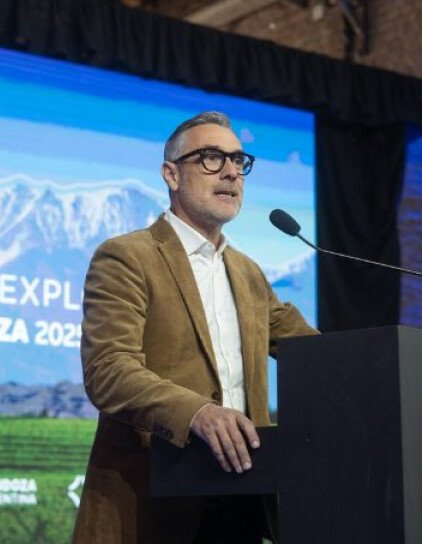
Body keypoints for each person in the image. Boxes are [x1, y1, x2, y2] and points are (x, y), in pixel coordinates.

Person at [73, 111, 317, 543]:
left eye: (238, 160)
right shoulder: (127, 257)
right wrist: (198, 413)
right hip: (157, 500)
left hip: (244, 499)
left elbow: (319, 353)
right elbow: (108, 370)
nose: (231, 172)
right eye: (210, 157)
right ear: (171, 174)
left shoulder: (249, 273)